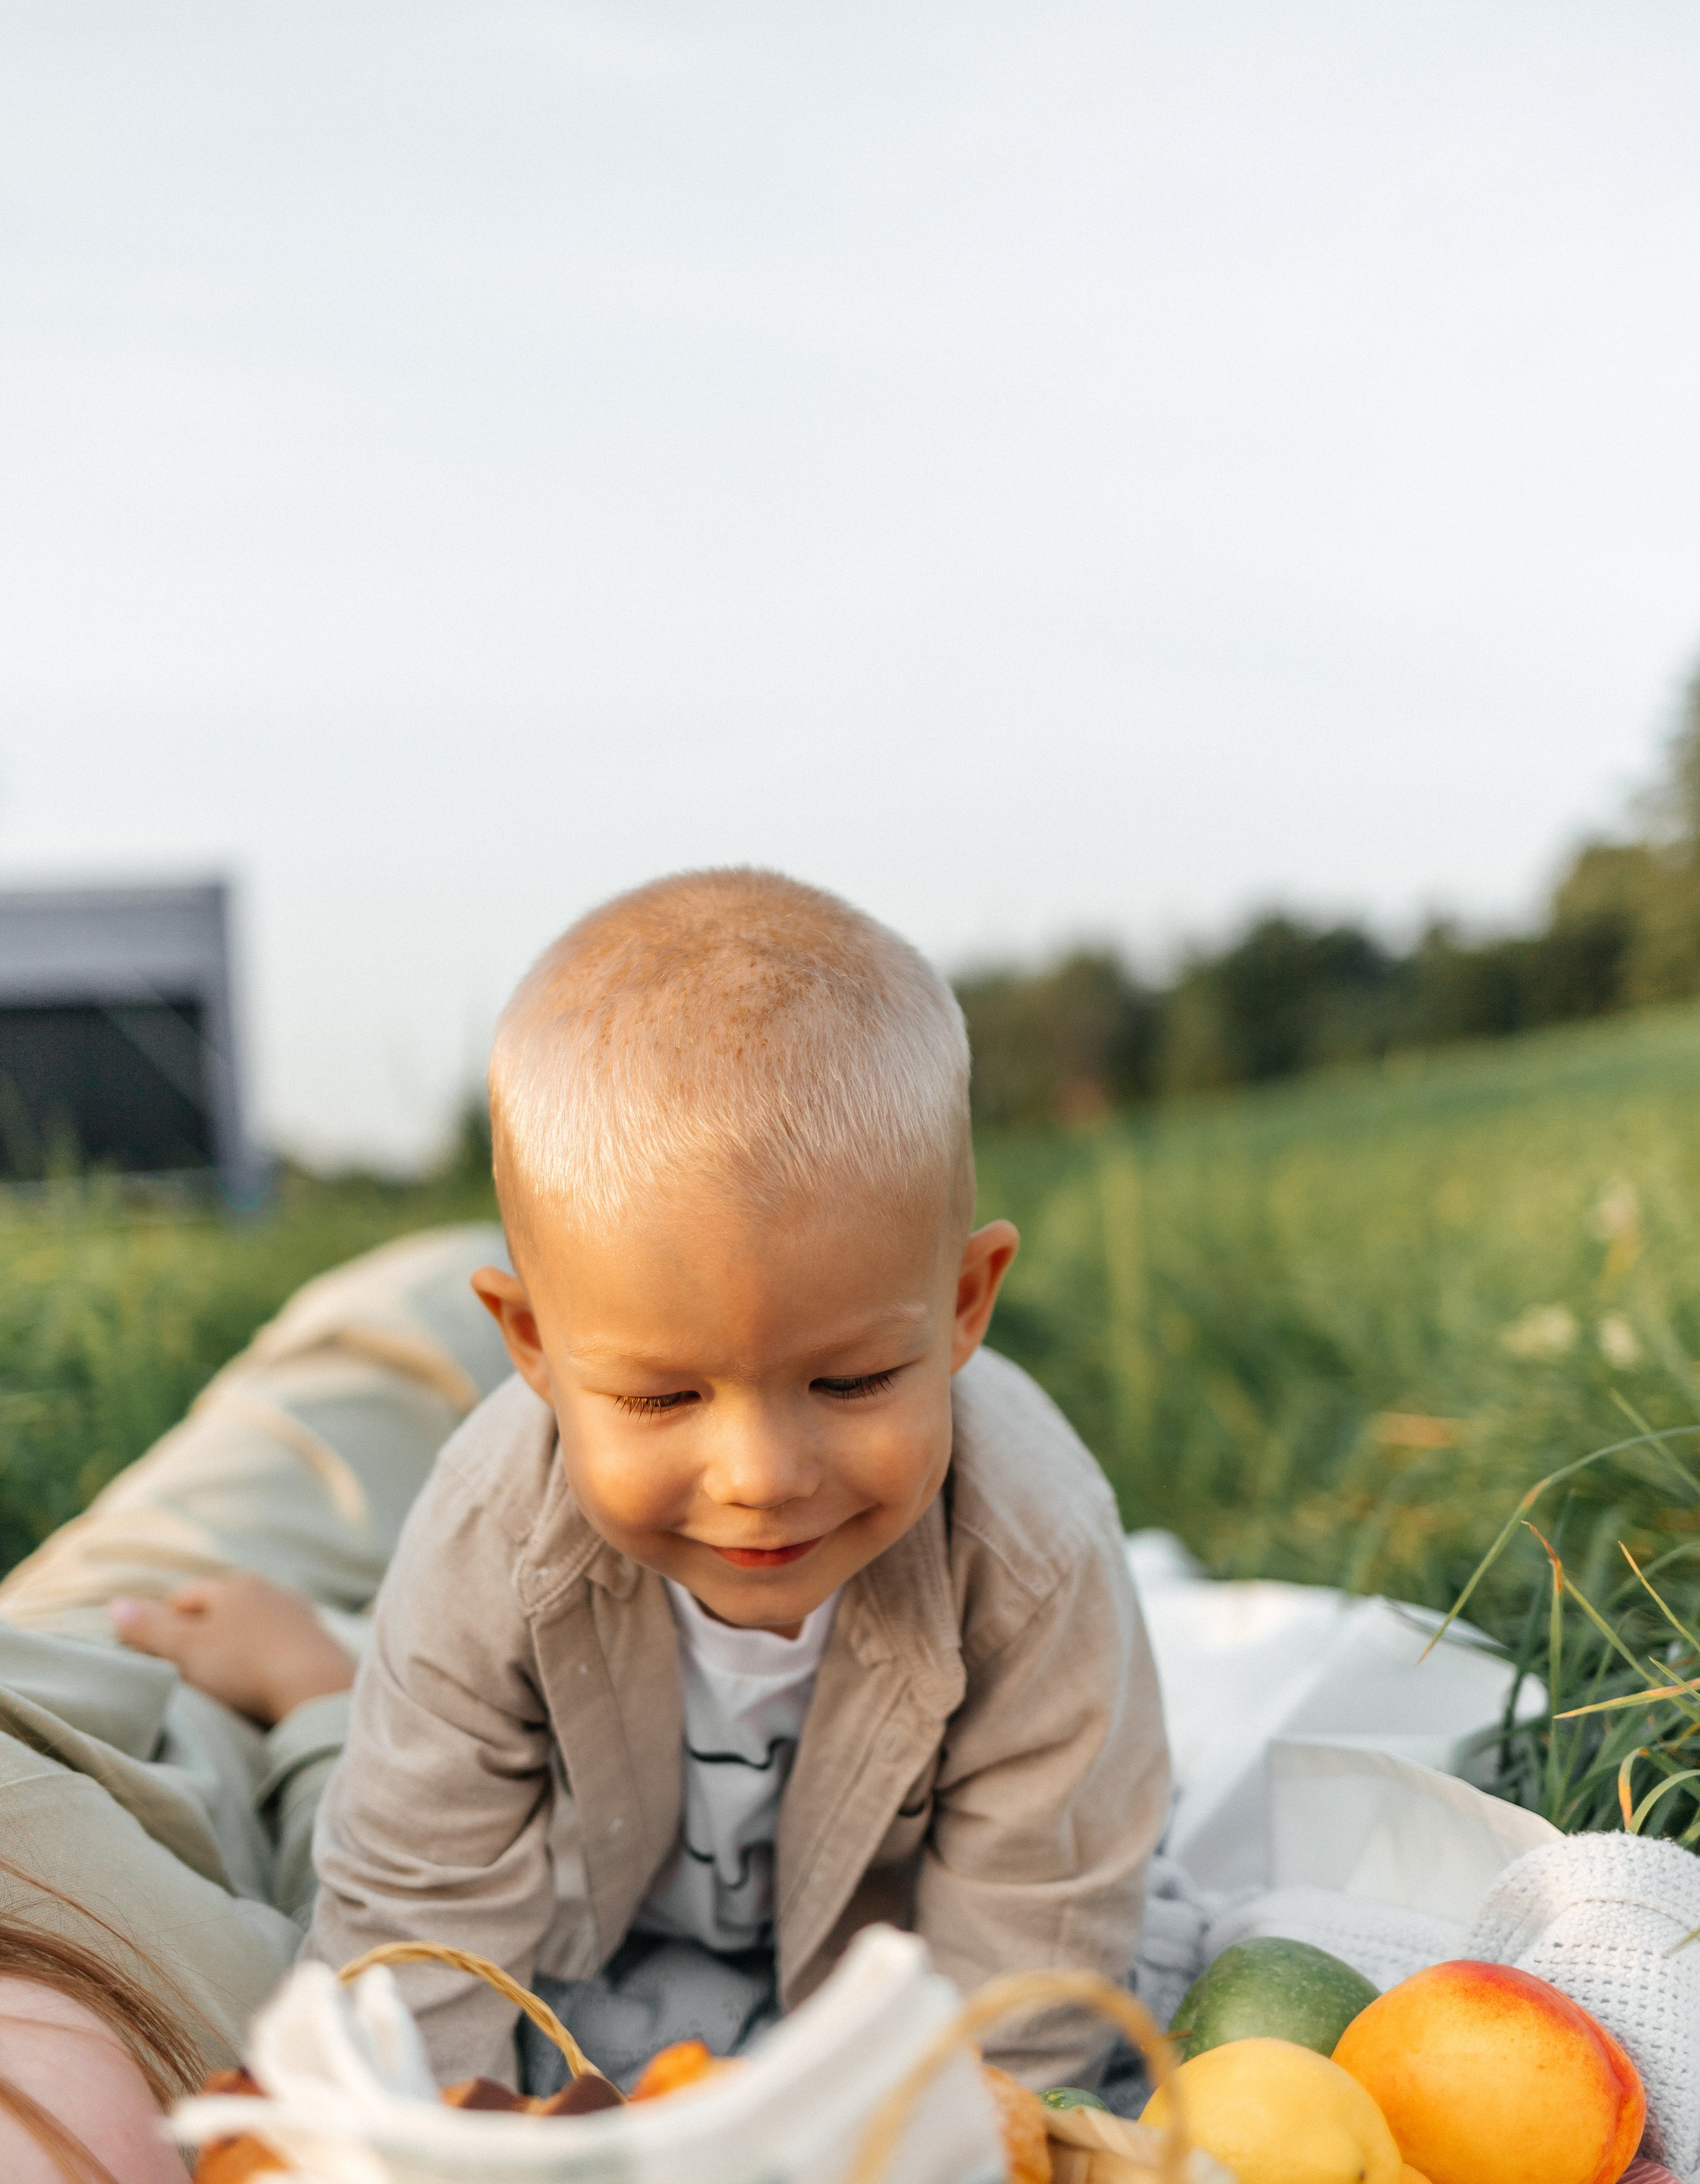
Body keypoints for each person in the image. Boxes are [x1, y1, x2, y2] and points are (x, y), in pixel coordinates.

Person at [307, 869, 1170, 2091]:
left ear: (966, 1304)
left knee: (1147, 2044)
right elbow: (410, 1930)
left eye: (854, 1382)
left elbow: (1035, 1969)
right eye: (663, 1399)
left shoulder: (1031, 1550)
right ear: (534, 1346)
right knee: (351, 1816)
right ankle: (306, 1682)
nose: (761, 1477)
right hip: (593, 1929)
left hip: (904, 1966)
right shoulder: (489, 1534)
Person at [0, 1223, 514, 2184]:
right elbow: (399, 1971)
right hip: (170, 1688)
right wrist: (323, 1701)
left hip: (136, 1663)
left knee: (413, 1355)